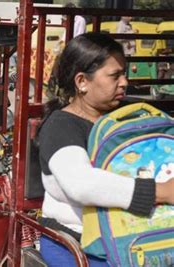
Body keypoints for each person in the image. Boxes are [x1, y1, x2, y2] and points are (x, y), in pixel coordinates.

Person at [37, 32, 174, 266]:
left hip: (140, 235)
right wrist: (161, 192)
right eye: (115, 76)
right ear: (82, 82)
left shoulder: (128, 116)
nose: (124, 82)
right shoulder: (61, 126)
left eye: (125, 73)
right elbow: (81, 184)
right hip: (77, 242)